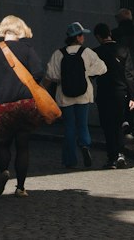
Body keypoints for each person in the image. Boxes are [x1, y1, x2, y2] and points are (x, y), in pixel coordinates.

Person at [0, 14, 46, 197]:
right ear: (20, 30)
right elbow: (39, 72)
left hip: (0, 103)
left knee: (3, 142)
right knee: (22, 145)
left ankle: (3, 172)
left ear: (3, 30)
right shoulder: (28, 49)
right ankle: (21, 187)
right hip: (23, 102)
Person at [44, 21, 107, 168]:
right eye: (82, 35)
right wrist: (86, 73)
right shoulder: (87, 52)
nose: (83, 38)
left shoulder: (58, 54)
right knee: (83, 125)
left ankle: (70, 160)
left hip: (64, 95)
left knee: (69, 127)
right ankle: (85, 145)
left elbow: (50, 75)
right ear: (78, 37)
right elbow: (102, 68)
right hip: (83, 94)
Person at [93, 22, 134, 167]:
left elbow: (91, 74)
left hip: (104, 92)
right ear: (109, 33)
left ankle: (111, 157)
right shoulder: (123, 50)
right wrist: (133, 96)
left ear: (99, 37)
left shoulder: (96, 52)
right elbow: (129, 74)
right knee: (118, 124)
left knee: (107, 125)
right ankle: (120, 154)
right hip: (121, 92)